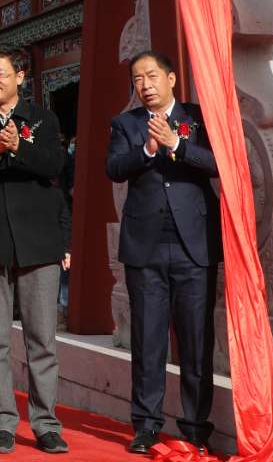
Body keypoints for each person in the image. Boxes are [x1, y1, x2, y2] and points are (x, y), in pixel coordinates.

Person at [0, 47, 71, 456]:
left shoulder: (43, 119)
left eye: (0, 73)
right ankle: (2, 422)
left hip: (38, 242)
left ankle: (45, 423)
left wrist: (19, 148)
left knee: (42, 339)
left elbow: (54, 166)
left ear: (20, 76)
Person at [108, 50, 220, 457]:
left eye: (151, 76)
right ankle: (146, 425)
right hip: (146, 248)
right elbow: (114, 168)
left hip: (194, 246)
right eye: (137, 79)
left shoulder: (198, 116)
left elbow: (218, 163)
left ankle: (195, 427)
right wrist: (149, 151)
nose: (145, 84)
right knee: (148, 340)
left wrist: (177, 144)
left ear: (171, 78)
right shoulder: (126, 123)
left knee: (195, 342)